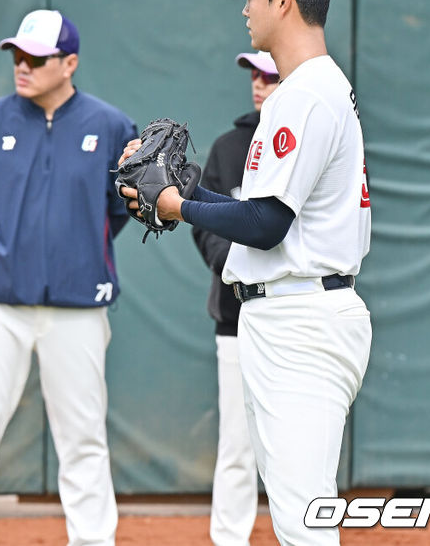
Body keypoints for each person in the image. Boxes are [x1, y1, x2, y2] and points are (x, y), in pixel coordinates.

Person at [120, 0, 371, 545]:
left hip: (302, 319)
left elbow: (266, 226)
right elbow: (258, 215)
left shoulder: (304, 96)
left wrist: (175, 202)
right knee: (294, 512)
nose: (244, 8)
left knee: (303, 518)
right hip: (285, 314)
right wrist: (186, 195)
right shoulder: (307, 90)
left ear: (283, 0)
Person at [0, 9, 138, 546]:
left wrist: (74, 254)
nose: (21, 66)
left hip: (77, 305)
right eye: (16, 56)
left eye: (36, 58)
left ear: (69, 63)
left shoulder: (112, 127)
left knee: (84, 438)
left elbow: (115, 214)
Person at [191, 50, 278, 546]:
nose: (258, 83)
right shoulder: (228, 147)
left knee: (296, 446)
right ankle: (228, 539)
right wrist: (238, 268)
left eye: (269, 73)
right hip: (236, 320)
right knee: (237, 447)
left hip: (294, 313)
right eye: (253, 73)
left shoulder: (307, 138)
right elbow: (205, 228)